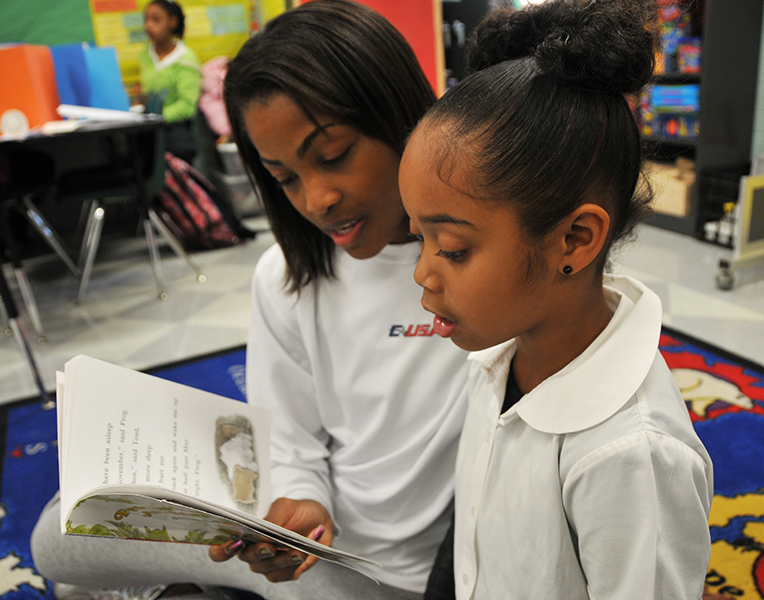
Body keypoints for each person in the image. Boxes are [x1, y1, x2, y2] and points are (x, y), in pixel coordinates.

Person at [31, 2, 469, 599]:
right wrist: (304, 504)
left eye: (333, 155)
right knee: (60, 526)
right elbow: (291, 439)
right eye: (284, 177)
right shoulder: (288, 274)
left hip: (405, 579)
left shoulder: (477, 263)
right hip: (321, 541)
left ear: (404, 120)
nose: (317, 199)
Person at [398, 1, 715, 599]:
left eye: (454, 249)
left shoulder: (631, 456)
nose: (423, 274)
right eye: (420, 238)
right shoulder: (494, 360)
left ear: (575, 239)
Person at [140, 0, 202, 163]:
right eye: (146, 19)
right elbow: (148, 93)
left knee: (175, 148)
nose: (148, 26)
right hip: (150, 126)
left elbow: (187, 107)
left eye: (156, 19)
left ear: (172, 22)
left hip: (174, 128)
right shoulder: (146, 55)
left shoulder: (186, 59)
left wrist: (157, 119)